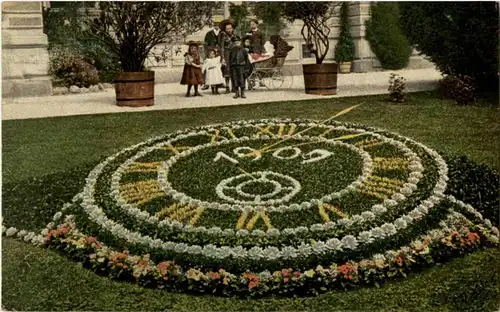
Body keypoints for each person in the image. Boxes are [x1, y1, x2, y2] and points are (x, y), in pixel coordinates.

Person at [202, 16, 222, 90]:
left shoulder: (222, 33)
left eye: (218, 24)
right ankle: (206, 84)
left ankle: (219, 83)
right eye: (215, 24)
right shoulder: (209, 33)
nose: (217, 26)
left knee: (219, 68)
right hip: (211, 53)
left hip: (219, 53)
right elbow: (206, 44)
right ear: (213, 25)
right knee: (208, 67)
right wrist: (210, 50)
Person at [218, 18, 236, 94]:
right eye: (227, 29)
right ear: (225, 29)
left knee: (234, 70)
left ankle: (234, 87)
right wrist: (222, 57)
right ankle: (227, 87)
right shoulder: (223, 36)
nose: (229, 30)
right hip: (226, 54)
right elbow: (221, 47)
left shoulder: (234, 35)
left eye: (230, 28)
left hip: (233, 54)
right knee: (227, 71)